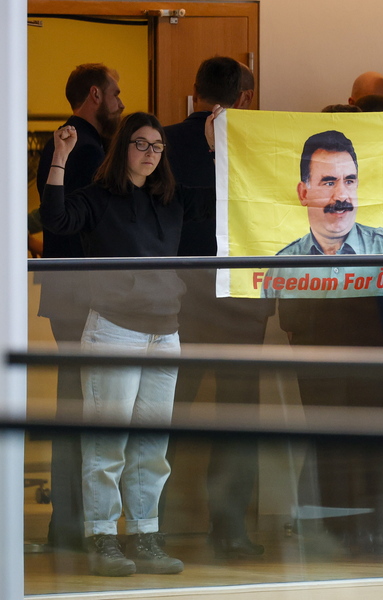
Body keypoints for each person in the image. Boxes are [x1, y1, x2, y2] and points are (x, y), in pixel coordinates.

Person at [40, 110, 221, 576]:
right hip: (113, 329)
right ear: (124, 148)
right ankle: (101, 537)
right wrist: (59, 156)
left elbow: (226, 200)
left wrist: (211, 147)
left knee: (151, 445)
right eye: (141, 144)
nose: (150, 154)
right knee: (107, 444)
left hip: (167, 330)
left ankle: (145, 535)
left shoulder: (171, 197)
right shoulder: (99, 197)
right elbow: (57, 220)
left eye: (157, 147)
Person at [162, 56, 273, 559]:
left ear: (194, 91)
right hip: (239, 301)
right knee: (236, 420)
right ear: (246, 98)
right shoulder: (261, 145)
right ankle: (229, 530)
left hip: (176, 299)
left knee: (167, 415)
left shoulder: (158, 141)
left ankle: (153, 528)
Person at [35, 63, 124, 551]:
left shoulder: (64, 142)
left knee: (78, 405)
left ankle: (67, 524)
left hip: (66, 294)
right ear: (95, 94)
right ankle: (75, 525)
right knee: (86, 407)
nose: (120, 102)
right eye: (115, 93)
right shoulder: (88, 148)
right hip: (82, 297)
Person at [261, 130, 383, 298]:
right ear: (303, 193)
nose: (342, 195)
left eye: (349, 181)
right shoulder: (282, 265)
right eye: (329, 182)